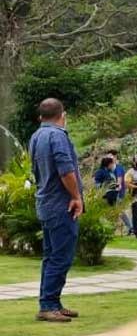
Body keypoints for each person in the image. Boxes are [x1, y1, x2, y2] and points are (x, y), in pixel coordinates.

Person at [28, 98, 84, 323]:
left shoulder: (36, 136)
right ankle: (48, 304)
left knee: (50, 256)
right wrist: (76, 196)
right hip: (62, 204)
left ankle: (52, 301)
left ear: (41, 116)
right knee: (61, 257)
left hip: (45, 202)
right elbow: (65, 170)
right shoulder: (58, 136)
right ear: (63, 115)